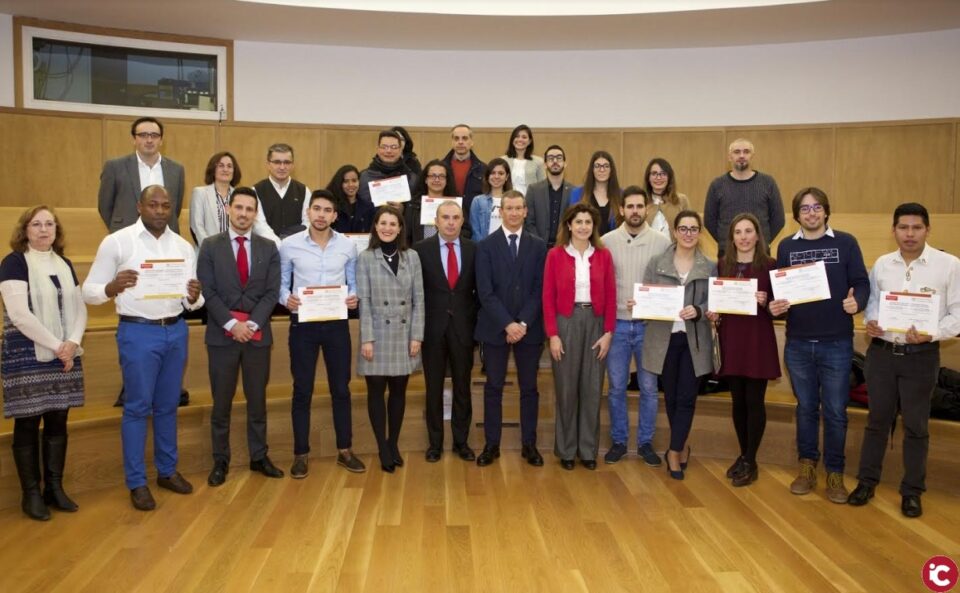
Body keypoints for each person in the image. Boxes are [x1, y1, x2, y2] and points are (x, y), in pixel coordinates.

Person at [82, 185, 203, 511]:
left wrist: (194, 296)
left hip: (175, 330)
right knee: (137, 408)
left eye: (166, 205)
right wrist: (112, 286)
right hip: (138, 333)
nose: (160, 210)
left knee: (167, 406)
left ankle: (167, 471)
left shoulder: (183, 246)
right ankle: (136, 482)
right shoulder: (118, 242)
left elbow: (193, 300)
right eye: (153, 204)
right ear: (140, 206)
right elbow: (89, 292)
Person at [848, 203, 960, 518]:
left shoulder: (949, 265)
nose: (909, 234)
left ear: (927, 229)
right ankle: (866, 482)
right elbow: (871, 305)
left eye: (916, 228)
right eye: (903, 228)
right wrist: (871, 322)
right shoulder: (883, 264)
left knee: (916, 427)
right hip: (882, 355)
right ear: (894, 230)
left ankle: (912, 491)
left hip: (921, 358)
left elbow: (958, 314)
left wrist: (932, 333)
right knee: (876, 423)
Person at [769, 187, 869, 503]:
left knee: (837, 412)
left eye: (816, 208)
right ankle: (807, 467)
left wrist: (859, 302)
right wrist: (775, 305)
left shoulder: (846, 242)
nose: (811, 213)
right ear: (796, 215)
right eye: (805, 209)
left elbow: (863, 282)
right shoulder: (785, 246)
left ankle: (835, 472)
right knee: (806, 409)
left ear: (826, 211)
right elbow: (779, 291)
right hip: (798, 343)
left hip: (837, 342)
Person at [1, 206, 86, 520]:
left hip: (63, 352)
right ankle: (31, 494)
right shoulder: (13, 263)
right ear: (25, 230)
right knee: (27, 422)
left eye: (49, 224)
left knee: (58, 419)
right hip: (27, 353)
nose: (43, 229)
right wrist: (58, 346)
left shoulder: (63, 263)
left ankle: (54, 487)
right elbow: (20, 315)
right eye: (36, 224)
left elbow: (79, 308)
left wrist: (73, 342)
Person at [197, 188, 284, 487]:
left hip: (258, 336)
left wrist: (253, 324)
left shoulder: (269, 248)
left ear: (255, 214)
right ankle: (220, 460)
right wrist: (233, 324)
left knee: (257, 401)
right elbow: (208, 291)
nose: (244, 213)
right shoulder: (209, 246)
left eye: (250, 209)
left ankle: (259, 456)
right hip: (222, 336)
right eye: (239, 208)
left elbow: (272, 293)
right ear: (230, 210)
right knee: (221, 403)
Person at [279, 190, 366, 477]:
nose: (321, 215)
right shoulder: (289, 245)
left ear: (334, 216)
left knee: (340, 389)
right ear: (308, 212)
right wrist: (285, 299)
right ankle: (301, 454)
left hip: (337, 325)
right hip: (302, 325)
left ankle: (345, 450)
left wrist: (353, 296)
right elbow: (281, 284)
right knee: (302, 390)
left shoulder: (347, 246)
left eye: (327, 210)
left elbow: (352, 282)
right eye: (316, 209)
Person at [704, 213, 780, 487]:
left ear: (758, 236)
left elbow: (780, 307)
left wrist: (767, 301)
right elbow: (718, 303)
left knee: (754, 401)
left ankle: (750, 459)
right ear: (732, 237)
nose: (744, 237)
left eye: (749, 231)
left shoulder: (770, 265)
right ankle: (744, 455)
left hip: (757, 339)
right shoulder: (723, 264)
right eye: (739, 232)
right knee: (737, 401)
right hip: (732, 338)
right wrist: (713, 313)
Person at [474, 190, 547, 467]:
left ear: (526, 211)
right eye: (509, 208)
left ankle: (529, 444)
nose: (514, 213)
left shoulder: (539, 246)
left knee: (529, 388)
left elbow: (539, 289)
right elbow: (485, 291)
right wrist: (508, 323)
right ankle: (492, 445)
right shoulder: (485, 246)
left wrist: (523, 323)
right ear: (500, 212)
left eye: (519, 208)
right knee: (493, 386)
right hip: (495, 328)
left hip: (529, 329)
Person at [641, 210, 714, 480]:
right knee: (671, 397)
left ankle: (673, 451)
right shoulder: (657, 262)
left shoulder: (709, 266)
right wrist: (640, 303)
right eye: (683, 229)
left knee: (687, 397)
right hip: (664, 339)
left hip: (694, 341)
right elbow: (647, 294)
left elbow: (714, 303)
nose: (688, 234)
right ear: (674, 231)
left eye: (694, 229)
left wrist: (699, 309)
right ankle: (682, 445)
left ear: (700, 233)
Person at [601, 187, 671, 466]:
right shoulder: (606, 241)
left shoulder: (662, 242)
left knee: (649, 388)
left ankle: (645, 442)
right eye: (629, 206)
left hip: (648, 326)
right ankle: (619, 441)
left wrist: (648, 302)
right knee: (617, 387)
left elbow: (668, 283)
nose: (635, 211)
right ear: (621, 209)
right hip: (616, 325)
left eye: (639, 206)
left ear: (646, 209)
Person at [543, 203, 616, 470]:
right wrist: (553, 334)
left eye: (588, 222)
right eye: (579, 222)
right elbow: (547, 297)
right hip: (566, 322)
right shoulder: (555, 255)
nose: (583, 226)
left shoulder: (604, 256)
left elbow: (611, 295)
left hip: (595, 323)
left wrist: (608, 332)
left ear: (593, 227)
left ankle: (587, 450)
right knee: (566, 388)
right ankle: (566, 449)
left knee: (592, 388)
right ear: (569, 225)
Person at [357, 206, 425, 473]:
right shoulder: (365, 258)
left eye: (392, 224)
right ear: (375, 227)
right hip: (376, 335)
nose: (387, 228)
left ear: (400, 228)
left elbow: (420, 300)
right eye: (382, 223)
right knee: (376, 392)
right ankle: (382, 447)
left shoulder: (413, 257)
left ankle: (393, 443)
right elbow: (364, 302)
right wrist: (367, 339)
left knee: (398, 392)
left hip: (404, 335)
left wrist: (417, 336)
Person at [413, 201, 478, 462]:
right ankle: (435, 443)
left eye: (455, 217)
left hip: (464, 328)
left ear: (462, 221)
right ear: (436, 221)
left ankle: (461, 442)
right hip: (432, 329)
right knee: (433, 388)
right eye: (445, 217)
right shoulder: (421, 251)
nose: (451, 222)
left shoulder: (475, 250)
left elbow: (479, 291)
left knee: (463, 387)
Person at [97, 117, 185, 234]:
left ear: (161, 140)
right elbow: (105, 206)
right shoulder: (114, 167)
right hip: (126, 234)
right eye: (143, 135)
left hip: (165, 235)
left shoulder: (176, 169)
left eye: (154, 135)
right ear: (134, 139)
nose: (149, 140)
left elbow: (175, 208)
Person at [704, 138, 784, 257]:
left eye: (746, 152)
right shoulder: (717, 185)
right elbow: (709, 221)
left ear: (752, 156)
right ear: (729, 157)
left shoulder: (768, 182)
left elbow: (778, 220)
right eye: (737, 152)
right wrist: (727, 241)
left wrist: (761, 241)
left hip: (760, 253)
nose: (742, 155)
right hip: (727, 254)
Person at [189, 151, 279, 250]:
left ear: (234, 171)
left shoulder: (241, 195)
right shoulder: (200, 193)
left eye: (229, 166)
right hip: (207, 252)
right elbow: (197, 227)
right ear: (213, 169)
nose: (225, 169)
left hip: (236, 252)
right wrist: (211, 251)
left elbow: (255, 225)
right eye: (221, 166)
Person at [254, 143, 312, 239]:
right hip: (266, 248)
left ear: (292, 165)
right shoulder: (256, 191)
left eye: (287, 162)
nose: (282, 167)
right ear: (268, 164)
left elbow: (308, 222)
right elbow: (259, 225)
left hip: (296, 248)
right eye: (277, 162)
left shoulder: (304, 190)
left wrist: (291, 242)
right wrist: (279, 243)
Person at [525, 145, 575, 248]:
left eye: (559, 158)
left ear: (565, 164)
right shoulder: (533, 190)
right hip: (537, 248)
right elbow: (528, 222)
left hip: (566, 247)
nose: (555, 161)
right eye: (551, 158)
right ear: (545, 164)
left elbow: (576, 221)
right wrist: (539, 244)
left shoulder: (574, 191)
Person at [442, 124, 486, 232]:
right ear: (452, 142)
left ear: (471, 142)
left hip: (473, 223)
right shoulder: (441, 167)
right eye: (456, 138)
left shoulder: (483, 169)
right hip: (447, 221)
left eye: (465, 138)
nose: (460, 142)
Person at [567, 150, 621, 235]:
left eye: (606, 166)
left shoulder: (621, 195)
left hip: (614, 246)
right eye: (597, 166)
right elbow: (572, 222)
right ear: (592, 170)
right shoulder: (577, 194)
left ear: (611, 170)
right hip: (586, 245)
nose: (602, 169)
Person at [405, 160, 459, 244]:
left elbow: (466, 230)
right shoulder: (414, 204)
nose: (437, 180)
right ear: (426, 179)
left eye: (441, 176)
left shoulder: (456, 204)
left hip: (448, 250)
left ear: (447, 180)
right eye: (433, 176)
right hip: (420, 251)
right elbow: (407, 233)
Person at [358, 130, 418, 205]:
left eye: (394, 147)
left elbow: (415, 210)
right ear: (378, 149)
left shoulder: (412, 179)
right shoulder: (363, 177)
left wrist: (402, 209)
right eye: (384, 147)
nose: (389, 151)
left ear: (400, 150)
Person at [643, 158, 690, 238]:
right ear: (648, 178)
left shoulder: (681, 200)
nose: (658, 178)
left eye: (663, 174)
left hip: (674, 249)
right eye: (654, 173)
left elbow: (690, 227)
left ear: (669, 177)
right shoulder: (642, 202)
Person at [468, 158, 513, 240]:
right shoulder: (478, 201)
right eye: (493, 173)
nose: (496, 176)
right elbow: (475, 231)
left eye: (501, 173)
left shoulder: (513, 201)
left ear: (507, 177)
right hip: (485, 248)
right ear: (487, 176)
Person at [326, 164, 374, 234]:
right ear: (339, 183)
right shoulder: (331, 206)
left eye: (354, 181)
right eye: (346, 181)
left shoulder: (368, 207)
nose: (351, 185)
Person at [501, 124, 545, 195]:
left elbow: (543, 187)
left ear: (530, 141)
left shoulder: (539, 161)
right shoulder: (502, 160)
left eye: (524, 137)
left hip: (530, 202)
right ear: (512, 139)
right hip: (508, 201)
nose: (520, 139)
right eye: (517, 136)